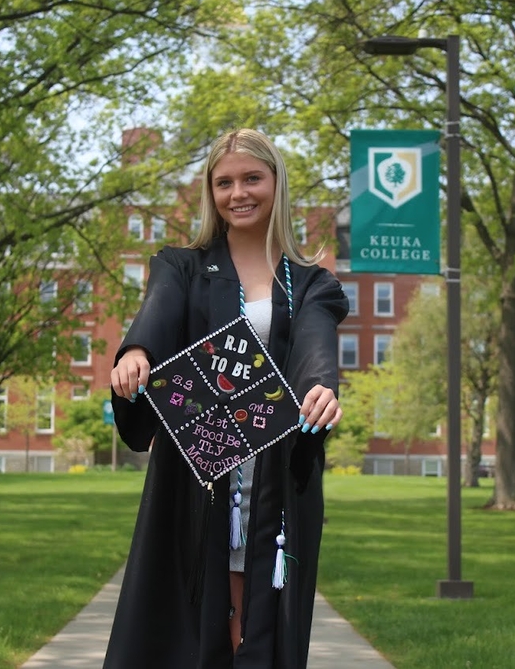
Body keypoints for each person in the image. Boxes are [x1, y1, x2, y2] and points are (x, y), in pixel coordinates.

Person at [104, 128, 349, 668]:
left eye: (252, 179)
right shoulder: (183, 267)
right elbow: (159, 313)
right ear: (210, 193)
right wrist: (136, 352)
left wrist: (320, 391)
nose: (238, 193)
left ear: (276, 183)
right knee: (195, 615)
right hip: (197, 467)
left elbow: (314, 348)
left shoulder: (310, 284)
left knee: (263, 616)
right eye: (224, 182)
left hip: (274, 471)